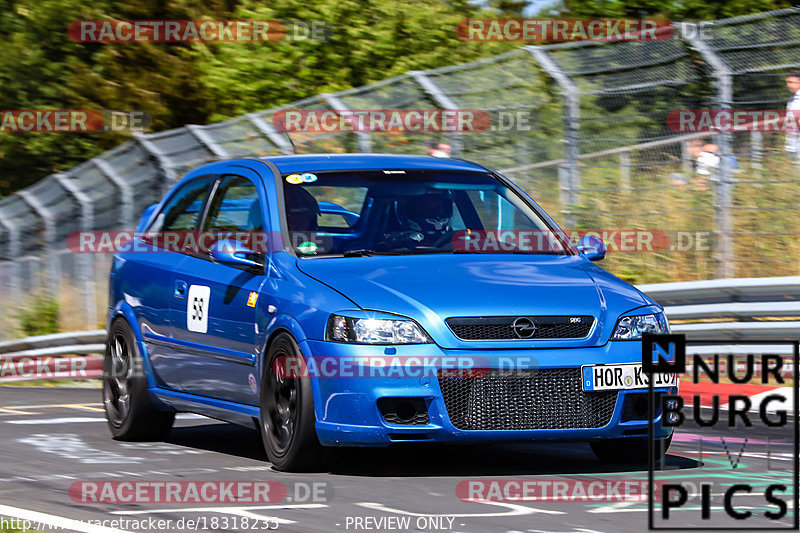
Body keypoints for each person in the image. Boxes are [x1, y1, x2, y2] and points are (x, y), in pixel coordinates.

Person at [785, 72, 800, 155]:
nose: (787, 85)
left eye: (790, 82)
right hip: (793, 142)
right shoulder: (792, 98)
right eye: (787, 82)